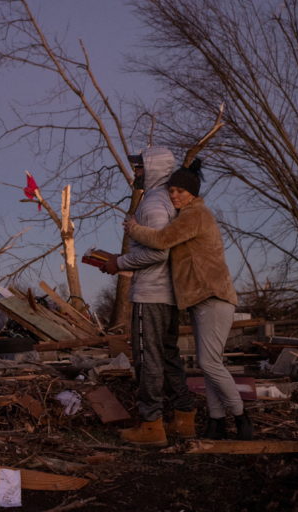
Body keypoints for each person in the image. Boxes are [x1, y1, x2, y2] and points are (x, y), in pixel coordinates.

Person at [124, 158, 253, 440]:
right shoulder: (185, 214)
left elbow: (160, 242)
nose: (174, 196)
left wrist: (132, 227)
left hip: (213, 297)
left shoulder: (196, 215)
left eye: (181, 192)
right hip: (199, 300)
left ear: (193, 193)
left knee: (209, 364)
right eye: (172, 191)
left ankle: (242, 416)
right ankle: (216, 422)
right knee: (209, 363)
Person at [100, 146, 196, 447]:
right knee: (168, 356)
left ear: (153, 169)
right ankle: (183, 417)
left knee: (147, 359)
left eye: (140, 167)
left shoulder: (154, 203)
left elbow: (158, 251)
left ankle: (151, 425)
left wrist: (120, 263)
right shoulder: (169, 201)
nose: (135, 173)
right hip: (168, 294)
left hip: (152, 293)